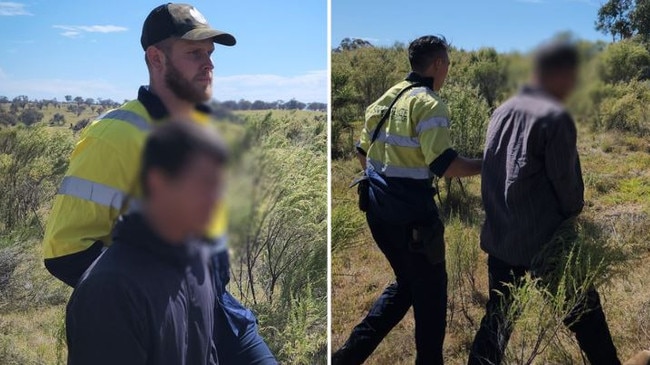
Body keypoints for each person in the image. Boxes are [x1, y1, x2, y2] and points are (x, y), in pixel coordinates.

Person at [43, 3, 276, 364]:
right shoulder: (114, 136)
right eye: (194, 53)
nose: (209, 65)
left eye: (211, 54)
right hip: (161, 316)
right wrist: (158, 299)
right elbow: (65, 253)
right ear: (156, 59)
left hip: (216, 308)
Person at [467, 42, 620, 365]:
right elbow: (567, 186)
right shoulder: (555, 115)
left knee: (497, 323)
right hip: (545, 243)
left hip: (501, 237)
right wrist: (572, 219)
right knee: (586, 317)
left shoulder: (502, 110)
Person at [333, 35, 482, 365]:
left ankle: (346, 357)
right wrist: (488, 165)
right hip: (414, 222)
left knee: (406, 287)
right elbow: (445, 166)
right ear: (438, 64)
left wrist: (387, 184)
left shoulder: (384, 99)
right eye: (448, 65)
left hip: (377, 211)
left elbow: (361, 153)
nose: (447, 73)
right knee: (431, 302)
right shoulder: (429, 104)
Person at [67, 121, 227, 365]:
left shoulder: (197, 260)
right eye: (203, 184)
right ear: (157, 181)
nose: (216, 200)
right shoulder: (111, 291)